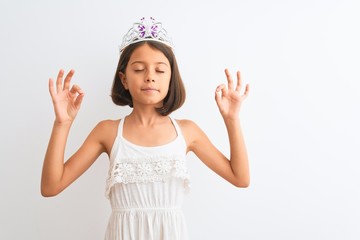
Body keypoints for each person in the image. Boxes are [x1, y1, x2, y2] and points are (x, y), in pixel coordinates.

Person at [41, 17, 250, 240]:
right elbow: (51, 186)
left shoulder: (188, 132)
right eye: (139, 69)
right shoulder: (108, 132)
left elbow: (240, 178)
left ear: (171, 78)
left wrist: (232, 119)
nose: (150, 76)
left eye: (160, 71)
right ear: (124, 79)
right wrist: (62, 124)